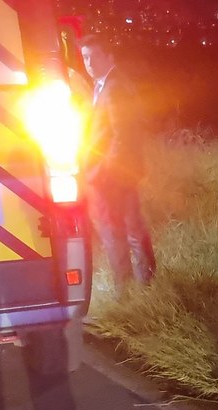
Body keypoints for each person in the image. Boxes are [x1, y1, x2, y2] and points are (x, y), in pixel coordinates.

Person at [80, 35, 156, 287]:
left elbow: (123, 134)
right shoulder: (103, 85)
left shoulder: (115, 87)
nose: (88, 63)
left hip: (114, 175)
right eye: (85, 57)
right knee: (127, 228)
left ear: (108, 56)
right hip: (117, 173)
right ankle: (142, 284)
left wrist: (105, 172)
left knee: (117, 231)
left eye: (94, 56)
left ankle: (127, 288)